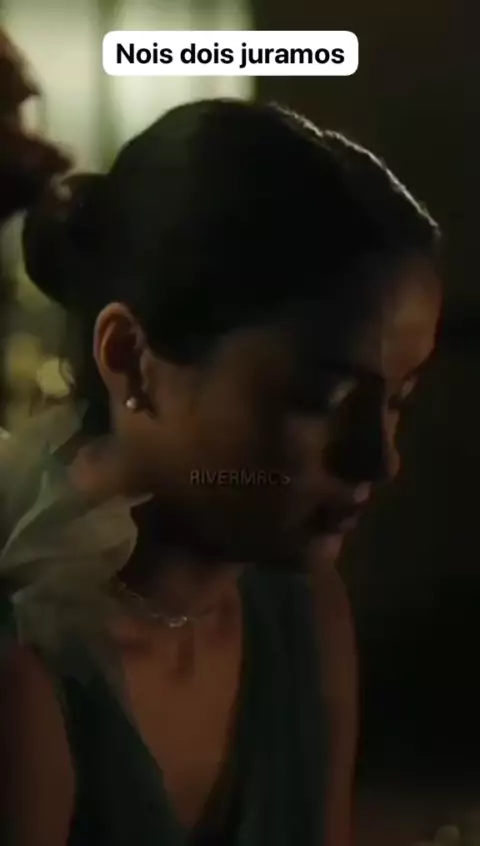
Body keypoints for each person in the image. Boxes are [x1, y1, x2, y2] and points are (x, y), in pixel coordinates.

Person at [0, 56, 441, 846]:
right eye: (320, 398)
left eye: (397, 401)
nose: (380, 460)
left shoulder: (300, 612)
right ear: (133, 361)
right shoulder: (29, 669)